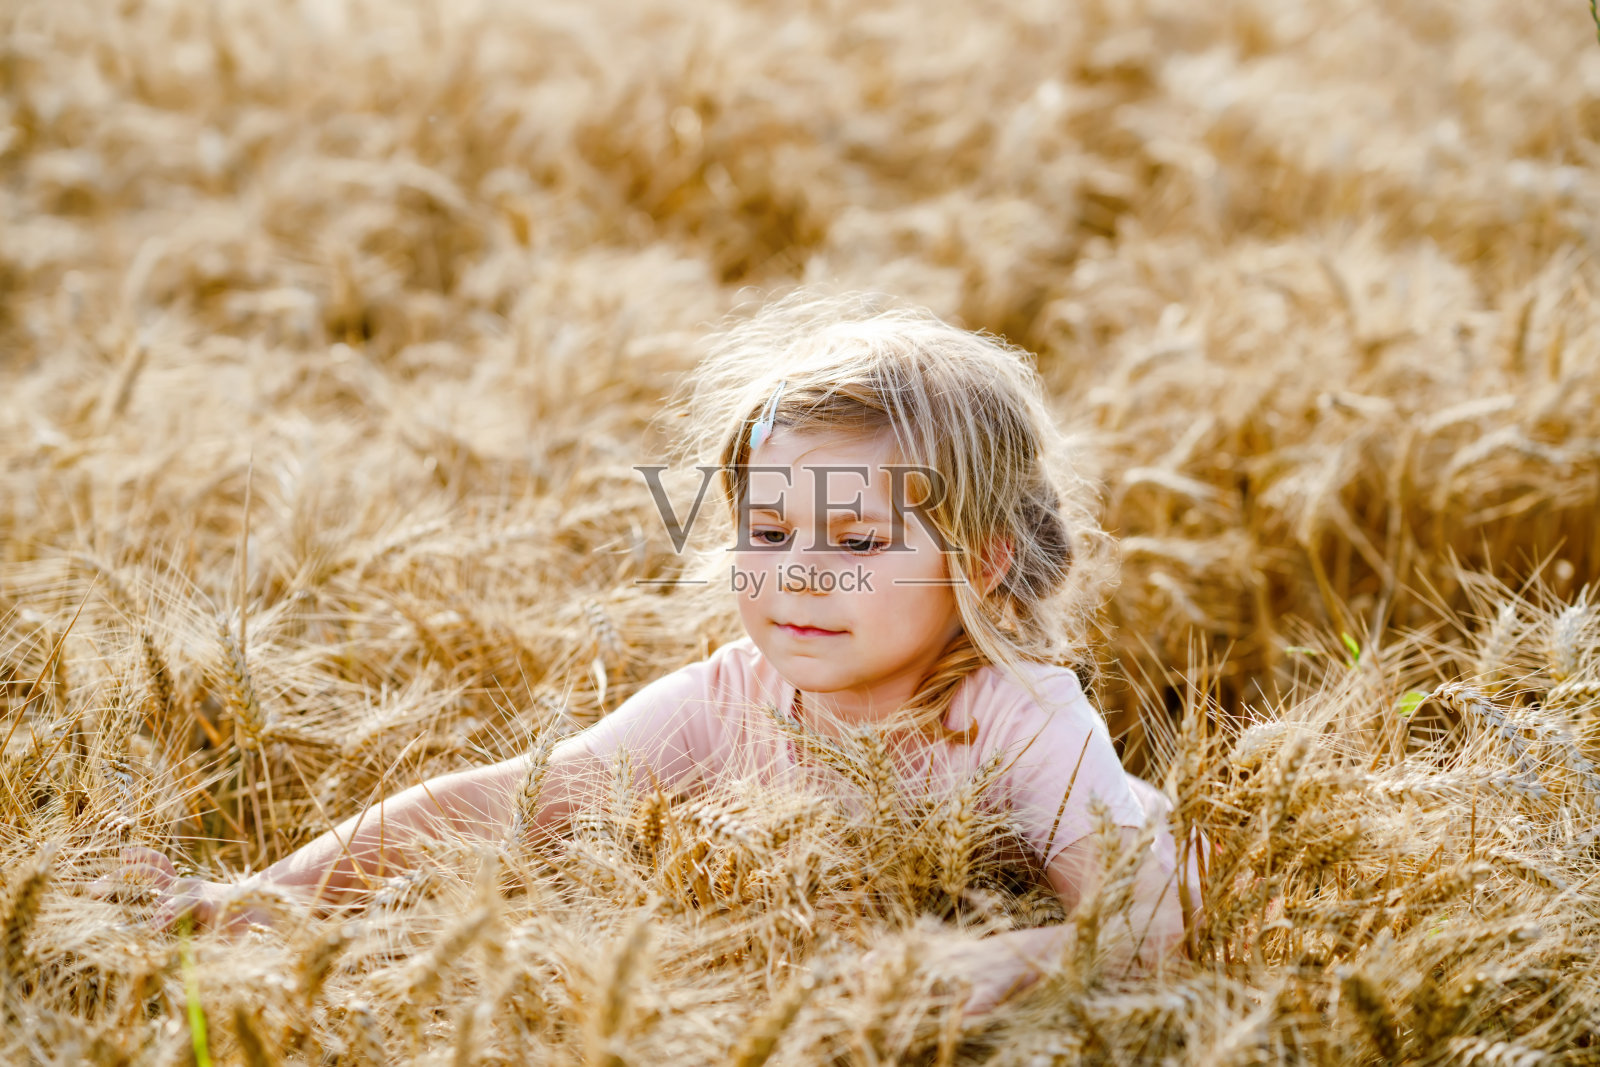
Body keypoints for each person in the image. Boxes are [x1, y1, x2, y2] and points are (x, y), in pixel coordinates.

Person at [116, 292, 1206, 1015]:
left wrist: (974, 969)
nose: (800, 575)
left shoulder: (1018, 718)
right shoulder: (729, 697)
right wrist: (265, 894)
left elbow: (1147, 921)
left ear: (982, 558)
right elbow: (504, 801)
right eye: (767, 535)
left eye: (859, 541)